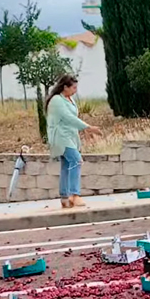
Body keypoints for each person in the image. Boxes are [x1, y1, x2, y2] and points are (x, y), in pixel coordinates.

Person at [45, 75, 101, 209]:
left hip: (69, 136)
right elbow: (68, 117)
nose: (75, 90)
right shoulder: (57, 100)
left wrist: (84, 131)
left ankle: (65, 197)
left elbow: (73, 119)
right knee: (76, 160)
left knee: (66, 165)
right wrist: (88, 127)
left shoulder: (69, 99)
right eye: (73, 87)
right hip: (61, 137)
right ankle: (74, 195)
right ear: (65, 87)